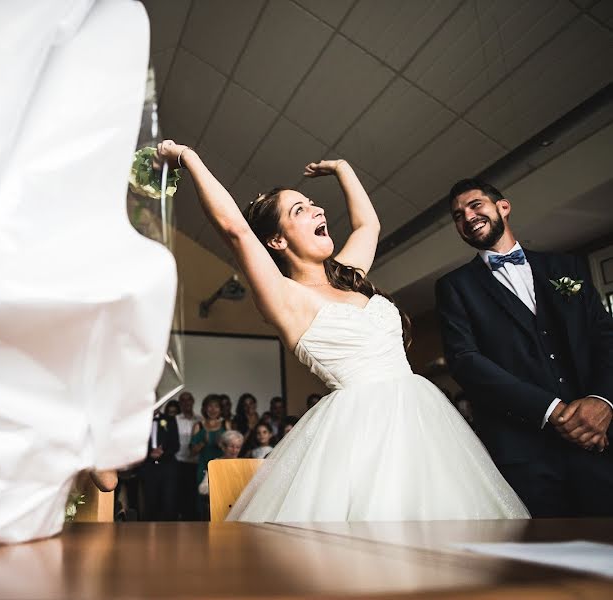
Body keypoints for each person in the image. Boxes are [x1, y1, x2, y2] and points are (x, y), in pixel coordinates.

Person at [154, 140, 528, 522]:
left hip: (423, 419)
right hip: (359, 432)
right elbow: (235, 230)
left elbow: (369, 224)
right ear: (278, 240)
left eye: (312, 203)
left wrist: (342, 168)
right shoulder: (285, 299)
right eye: (299, 209)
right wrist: (189, 158)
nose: (316, 209)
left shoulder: (349, 276)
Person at [435, 178, 613, 517]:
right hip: (525, 452)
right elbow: (466, 362)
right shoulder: (454, 287)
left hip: (598, 438)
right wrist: (553, 410)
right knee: (551, 557)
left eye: (476, 205)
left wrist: (603, 401)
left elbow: (605, 338)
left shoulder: (566, 268)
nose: (467, 216)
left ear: (503, 207)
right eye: (458, 215)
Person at [139, 408, 180, 521]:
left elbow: (176, 445)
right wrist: (149, 453)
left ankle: (169, 535)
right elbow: (135, 443)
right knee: (149, 502)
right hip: (148, 466)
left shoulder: (170, 420)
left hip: (167, 466)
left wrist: (163, 453)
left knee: (169, 502)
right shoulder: (139, 420)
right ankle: (148, 534)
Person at [174, 391, 200, 520]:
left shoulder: (200, 419)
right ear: (179, 403)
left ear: (193, 401)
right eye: (183, 400)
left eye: (188, 399)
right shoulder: (175, 420)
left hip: (197, 462)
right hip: (179, 461)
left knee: (195, 494)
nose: (186, 403)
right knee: (180, 494)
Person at [197, 430, 244, 496]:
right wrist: (221, 489)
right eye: (231, 446)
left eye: (238, 447)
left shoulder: (243, 464)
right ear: (223, 447)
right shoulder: (215, 463)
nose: (234, 450)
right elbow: (202, 488)